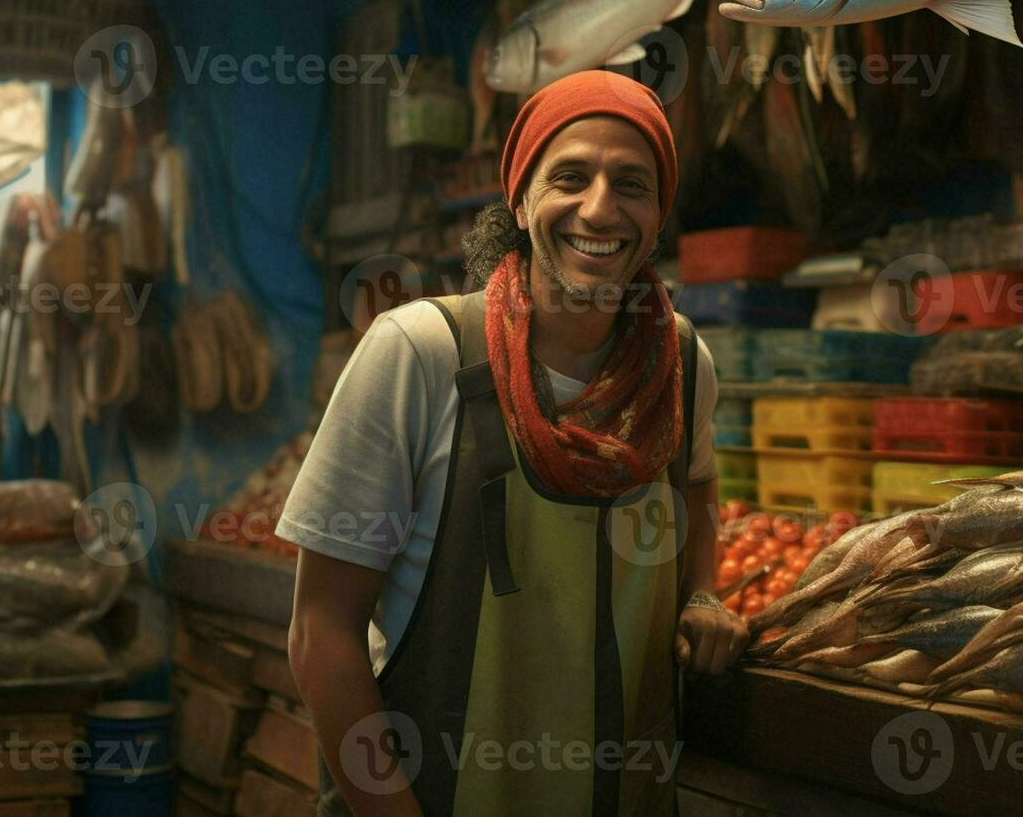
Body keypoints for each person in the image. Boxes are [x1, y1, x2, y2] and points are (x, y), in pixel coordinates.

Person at [280, 70, 747, 816]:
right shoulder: (420, 353)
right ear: (522, 199)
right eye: (570, 176)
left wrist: (701, 590)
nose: (600, 207)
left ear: (657, 216)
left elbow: (695, 482)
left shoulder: (681, 362)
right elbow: (321, 633)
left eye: (632, 183)